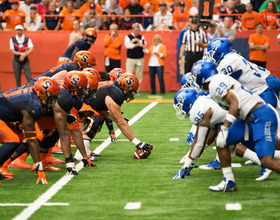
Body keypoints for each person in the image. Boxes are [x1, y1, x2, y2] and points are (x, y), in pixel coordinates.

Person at [191, 59, 280, 192]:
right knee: (222, 141)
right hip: (248, 118)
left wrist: (225, 127)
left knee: (267, 161)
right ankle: (229, 181)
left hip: (261, 115)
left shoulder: (215, 84)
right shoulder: (217, 81)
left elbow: (235, 103)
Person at [0, 77, 60, 184]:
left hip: (4, 117)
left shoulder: (31, 94)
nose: (52, 102)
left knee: (20, 138)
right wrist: (39, 168)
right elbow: (32, 139)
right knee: (12, 140)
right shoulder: (33, 105)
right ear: (41, 93)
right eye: (50, 98)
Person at [84, 73, 153, 156]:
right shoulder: (116, 94)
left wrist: (113, 117)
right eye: (131, 91)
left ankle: (84, 150)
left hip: (82, 104)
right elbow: (121, 123)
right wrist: (137, 143)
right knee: (96, 118)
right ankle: (81, 153)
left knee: (99, 116)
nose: (131, 94)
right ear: (125, 86)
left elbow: (99, 108)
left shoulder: (112, 87)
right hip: (77, 105)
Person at [124, 23, 146, 89]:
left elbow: (144, 45)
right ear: (132, 29)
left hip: (139, 58)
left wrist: (136, 41)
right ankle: (128, 89)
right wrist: (137, 44)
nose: (137, 32)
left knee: (139, 75)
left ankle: (136, 90)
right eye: (136, 30)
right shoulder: (128, 36)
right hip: (130, 58)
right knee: (128, 74)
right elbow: (128, 46)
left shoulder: (141, 37)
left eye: (138, 30)